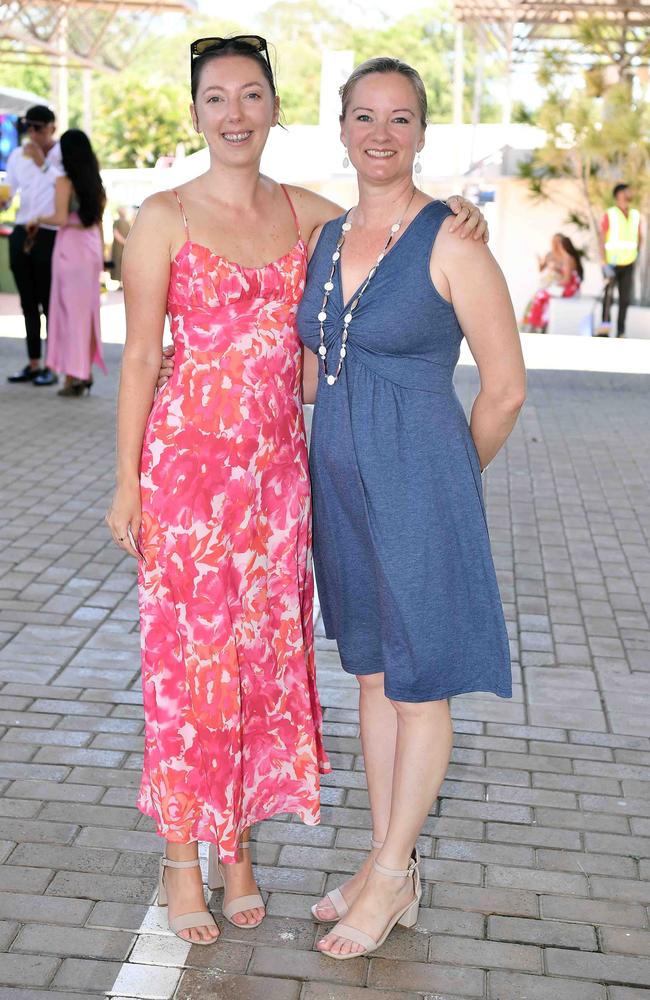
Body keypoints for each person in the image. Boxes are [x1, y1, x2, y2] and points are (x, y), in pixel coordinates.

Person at [107, 34, 488, 948]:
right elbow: (142, 360)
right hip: (189, 478)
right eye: (215, 99)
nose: (234, 114)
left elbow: (393, 220)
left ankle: (237, 854)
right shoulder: (163, 217)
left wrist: (460, 215)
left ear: (276, 110)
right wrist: (126, 482)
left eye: (250, 96)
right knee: (188, 671)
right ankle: (179, 858)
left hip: (280, 483)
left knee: (259, 669)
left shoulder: (309, 215)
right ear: (196, 114)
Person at [296, 56, 525, 959]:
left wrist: (444, 486)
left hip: (421, 485)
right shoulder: (327, 234)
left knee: (419, 685)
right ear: (343, 129)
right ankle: (384, 860)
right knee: (372, 676)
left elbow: (503, 390)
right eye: (364, 117)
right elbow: (322, 365)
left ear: (423, 133)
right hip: (340, 486)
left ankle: (392, 877)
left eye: (400, 119)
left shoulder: (454, 239)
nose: (381, 134)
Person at [27, 129, 107, 397]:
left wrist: (37, 219)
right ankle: (84, 372)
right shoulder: (95, 181)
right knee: (86, 315)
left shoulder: (65, 181)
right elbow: (98, 222)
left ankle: (75, 376)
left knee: (69, 315)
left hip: (70, 248)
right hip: (91, 249)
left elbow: (60, 218)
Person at [2, 105, 62, 385]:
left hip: (51, 232)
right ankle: (33, 362)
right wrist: (3, 200)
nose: (33, 133)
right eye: (29, 127)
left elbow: (67, 188)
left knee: (50, 302)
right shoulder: (17, 155)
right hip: (22, 229)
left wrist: (43, 163)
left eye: (38, 127)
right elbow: (10, 191)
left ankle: (53, 365)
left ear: (52, 127)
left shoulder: (63, 154)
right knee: (27, 302)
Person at [597, 183, 642, 337]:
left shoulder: (635, 215)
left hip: (628, 263)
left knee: (625, 300)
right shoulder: (610, 214)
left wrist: (635, 254)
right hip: (612, 264)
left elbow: (639, 237)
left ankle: (621, 332)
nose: (630, 193)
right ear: (619, 194)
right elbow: (602, 238)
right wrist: (603, 262)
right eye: (626, 191)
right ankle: (604, 330)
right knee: (608, 298)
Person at [521, 233, 583, 333]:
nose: (556, 244)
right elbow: (542, 269)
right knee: (538, 299)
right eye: (554, 241)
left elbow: (567, 279)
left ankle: (538, 325)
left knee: (541, 297)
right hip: (556, 285)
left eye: (559, 242)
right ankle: (535, 325)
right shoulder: (551, 254)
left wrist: (554, 283)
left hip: (563, 287)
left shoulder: (567, 258)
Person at [110, 205, 132, 287]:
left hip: (126, 246)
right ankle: (120, 284)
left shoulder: (127, 222)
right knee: (118, 263)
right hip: (118, 247)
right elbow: (115, 233)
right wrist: (124, 242)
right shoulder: (117, 221)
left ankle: (123, 283)